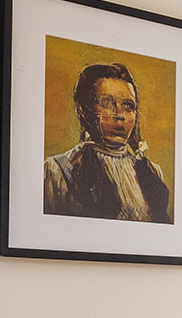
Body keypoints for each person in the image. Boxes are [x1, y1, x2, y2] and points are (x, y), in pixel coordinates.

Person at [42, 62, 171, 223]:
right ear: (83, 108)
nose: (119, 115)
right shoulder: (58, 171)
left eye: (127, 106)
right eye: (107, 103)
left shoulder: (151, 171)